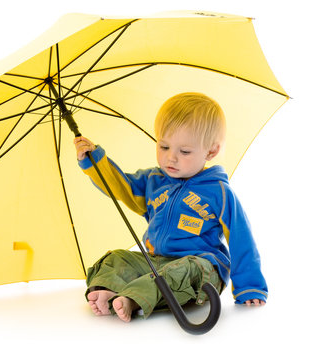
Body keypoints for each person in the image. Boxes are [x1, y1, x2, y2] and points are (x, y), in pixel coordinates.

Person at [74, 92, 267, 323]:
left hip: (199, 267)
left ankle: (134, 300)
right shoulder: (154, 180)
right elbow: (120, 187)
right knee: (115, 258)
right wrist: (94, 161)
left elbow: (240, 236)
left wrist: (249, 286)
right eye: (164, 146)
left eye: (184, 151)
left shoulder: (219, 192)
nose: (170, 158)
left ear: (211, 152)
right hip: (156, 262)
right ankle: (109, 289)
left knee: (182, 271)